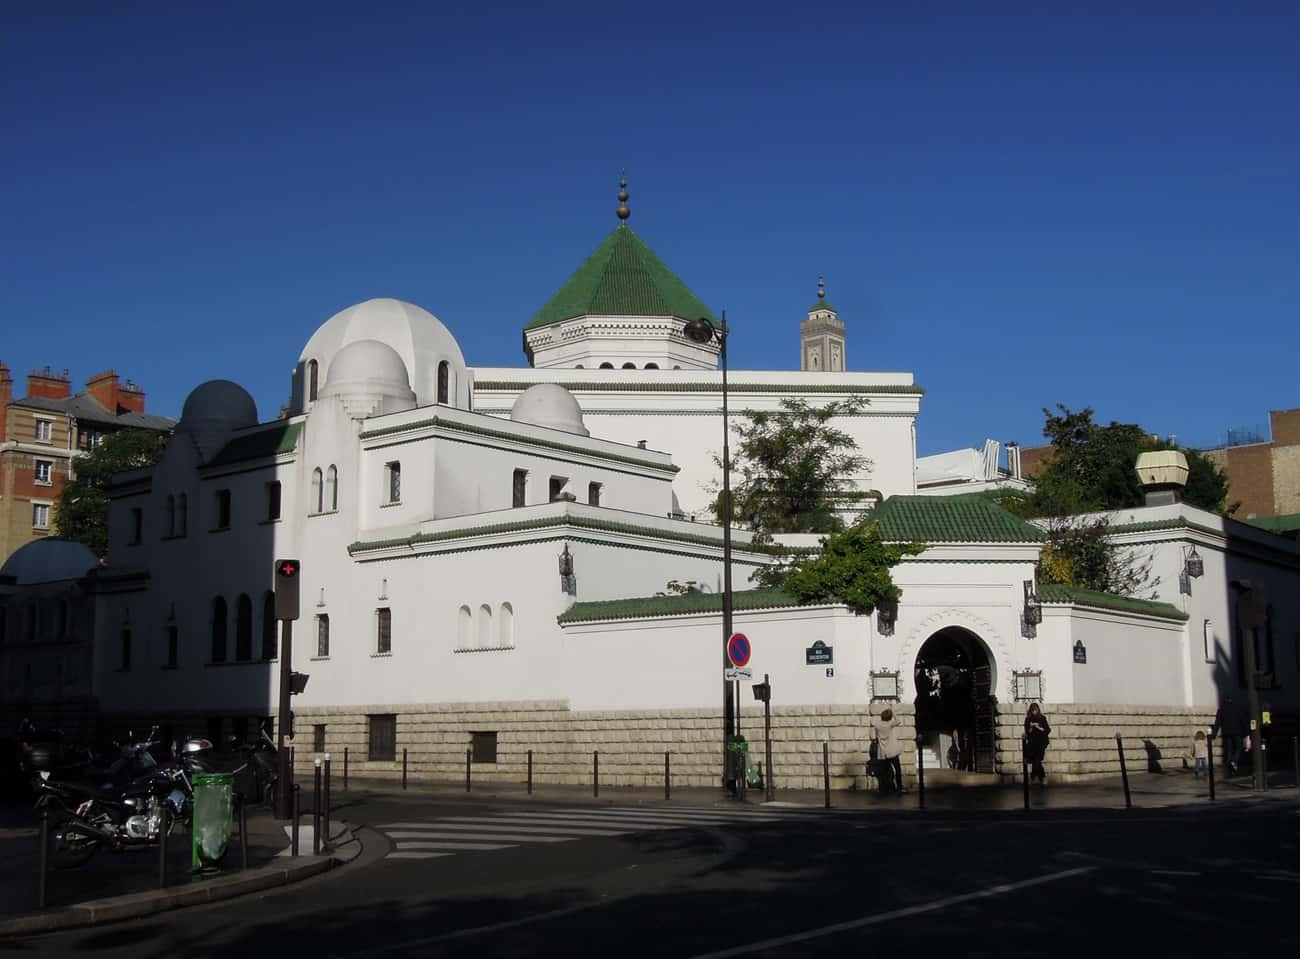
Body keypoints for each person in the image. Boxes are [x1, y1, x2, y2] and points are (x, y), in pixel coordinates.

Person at [1210, 697, 1248, 775]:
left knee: (1228, 749)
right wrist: (1246, 733)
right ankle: (1234, 761)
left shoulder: (1221, 709)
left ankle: (1229, 765)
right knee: (1238, 747)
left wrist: (1214, 734)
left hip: (1226, 732)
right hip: (1237, 732)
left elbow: (1217, 723)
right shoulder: (1237, 708)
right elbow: (1242, 720)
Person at [872, 708, 904, 794]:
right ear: (889, 718)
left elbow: (875, 737)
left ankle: (884, 788)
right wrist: (893, 712)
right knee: (897, 770)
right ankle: (899, 787)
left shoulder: (877, 725)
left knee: (885, 771)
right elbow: (898, 721)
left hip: (883, 752)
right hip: (892, 751)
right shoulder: (890, 724)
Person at [1023, 703, 1051, 785]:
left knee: (1037, 760)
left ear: (1038, 710)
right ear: (1030, 711)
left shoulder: (1042, 718)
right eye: (1032, 710)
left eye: (1035, 710)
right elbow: (1027, 732)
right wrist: (1031, 727)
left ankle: (1033, 777)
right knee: (1036, 761)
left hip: (1041, 743)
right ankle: (1042, 778)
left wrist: (1039, 727)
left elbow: (1048, 730)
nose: (1034, 712)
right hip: (1032, 743)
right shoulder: (1028, 719)